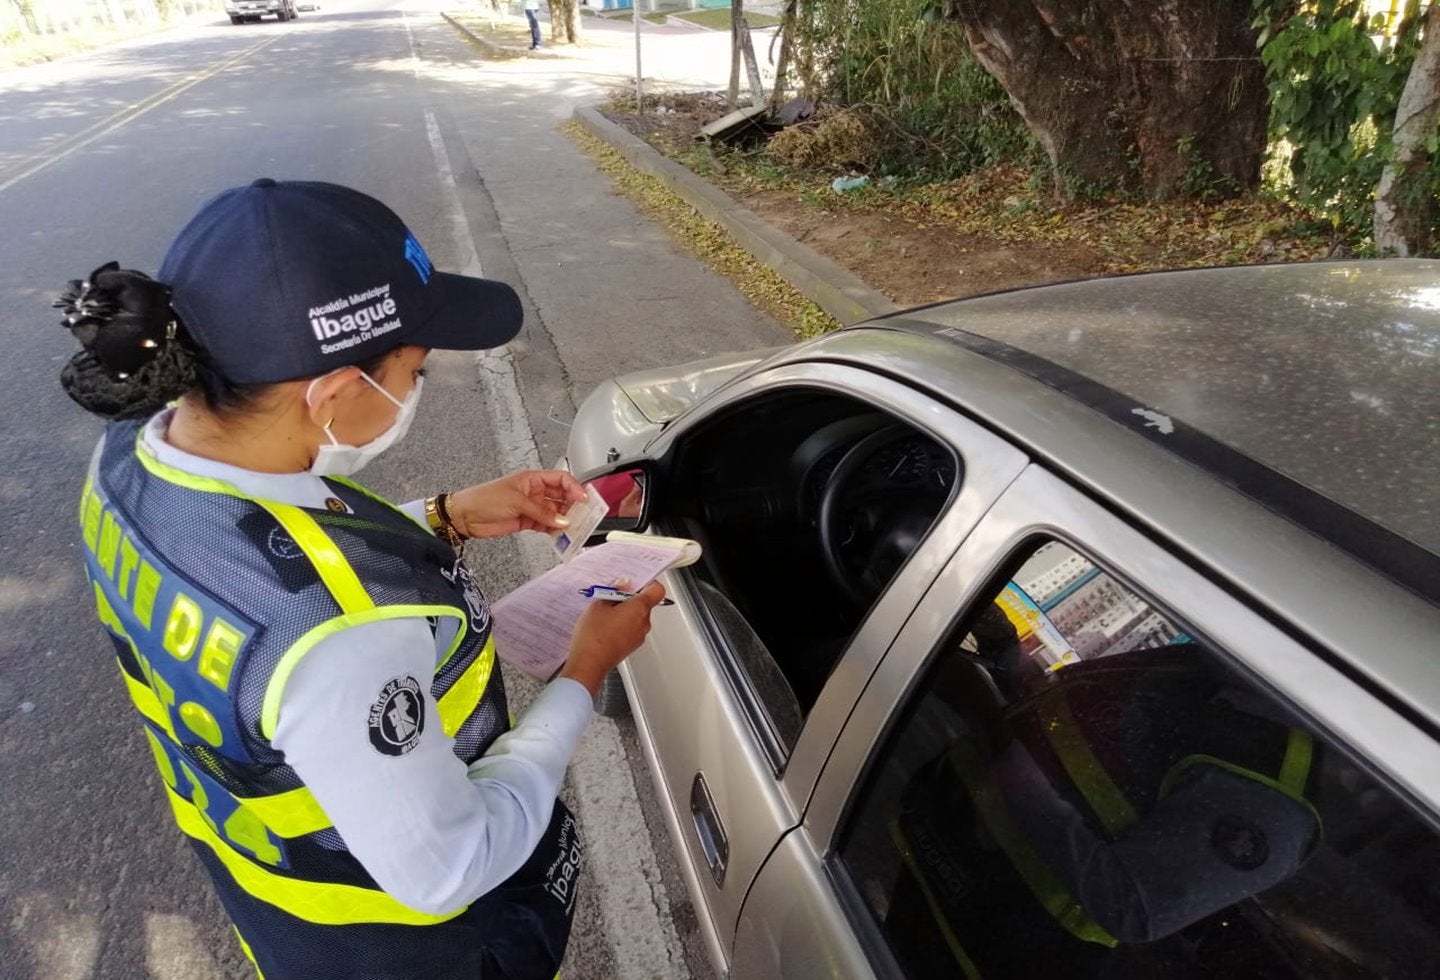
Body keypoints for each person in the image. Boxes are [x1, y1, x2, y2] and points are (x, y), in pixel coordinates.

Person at [57, 178, 665, 979]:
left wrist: (445, 516)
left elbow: (241, 560)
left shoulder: (130, 455)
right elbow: (451, 864)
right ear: (338, 393)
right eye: (415, 371)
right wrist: (584, 670)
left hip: (279, 907)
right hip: (403, 950)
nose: (415, 388)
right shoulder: (340, 649)